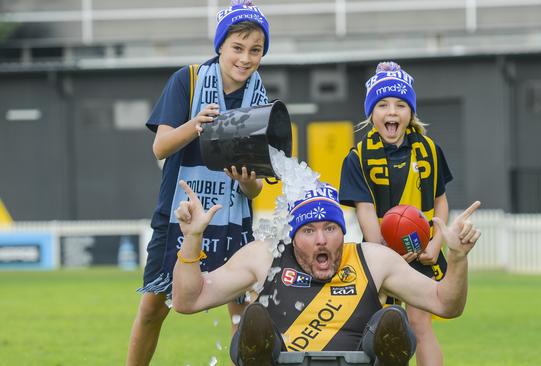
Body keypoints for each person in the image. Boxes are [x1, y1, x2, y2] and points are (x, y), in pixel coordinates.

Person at [172, 181, 481, 366]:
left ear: (342, 232)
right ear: (292, 236)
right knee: (253, 323)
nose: (321, 239)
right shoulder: (265, 257)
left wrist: (457, 258)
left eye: (330, 228)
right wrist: (192, 238)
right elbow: (189, 300)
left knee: (393, 322)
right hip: (280, 361)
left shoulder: (373, 260)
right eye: (309, 230)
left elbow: (445, 304)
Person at [126, 1, 271, 365]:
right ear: (220, 46)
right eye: (237, 47)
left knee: (242, 312)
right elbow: (160, 147)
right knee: (153, 308)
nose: (245, 58)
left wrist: (247, 182)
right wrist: (196, 125)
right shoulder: (186, 80)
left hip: (234, 217)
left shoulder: (259, 98)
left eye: (255, 50)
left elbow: (257, 187)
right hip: (180, 212)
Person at [338, 61, 455, 365]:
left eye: (401, 105)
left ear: (411, 113)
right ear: (371, 113)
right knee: (378, 330)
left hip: (423, 253)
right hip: (379, 255)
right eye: (383, 105)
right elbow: (365, 211)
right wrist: (386, 256)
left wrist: (436, 242)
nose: (392, 112)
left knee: (420, 325)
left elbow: (441, 202)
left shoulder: (429, 149)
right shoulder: (357, 157)